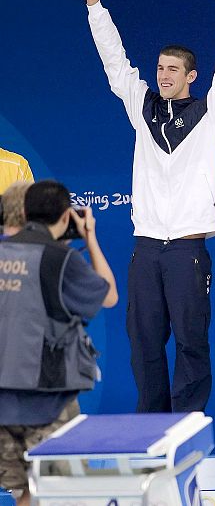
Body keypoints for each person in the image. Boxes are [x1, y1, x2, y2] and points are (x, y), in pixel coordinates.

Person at [83, 0, 215, 412]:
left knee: (191, 342)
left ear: (191, 76)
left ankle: (186, 424)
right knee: (143, 342)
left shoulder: (213, 113)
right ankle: (150, 426)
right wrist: (95, 4)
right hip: (147, 247)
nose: (163, 75)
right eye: (159, 69)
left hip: (187, 250)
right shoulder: (143, 108)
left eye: (172, 70)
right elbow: (116, 63)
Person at [0, 180, 117, 506]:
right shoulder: (60, 259)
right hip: (48, 401)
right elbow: (108, 295)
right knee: (53, 494)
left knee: (25, 494)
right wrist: (90, 238)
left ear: (23, 213)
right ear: (67, 217)